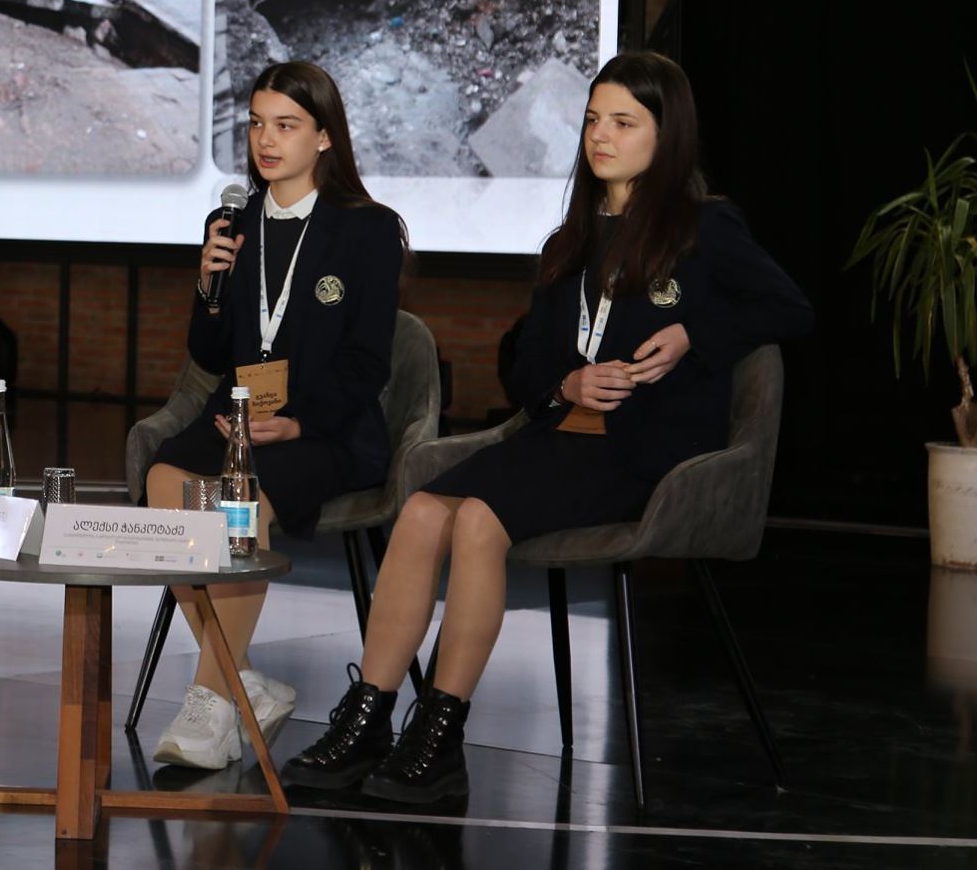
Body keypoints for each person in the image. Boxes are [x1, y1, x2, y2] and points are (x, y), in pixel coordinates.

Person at [281, 50, 813, 804]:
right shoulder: (572, 240)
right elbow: (527, 364)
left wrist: (694, 333)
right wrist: (566, 383)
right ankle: (368, 717)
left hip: (645, 454)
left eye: (623, 122)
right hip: (560, 437)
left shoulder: (706, 226)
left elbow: (790, 309)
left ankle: (441, 735)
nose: (601, 136)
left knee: (478, 521)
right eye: (593, 120)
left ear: (667, 135)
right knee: (423, 509)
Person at [145, 61, 408, 769]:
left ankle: (209, 703)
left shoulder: (368, 230)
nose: (266, 140)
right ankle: (241, 681)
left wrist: (297, 421)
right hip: (236, 415)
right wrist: (208, 283)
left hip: (324, 427)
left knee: (237, 503)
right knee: (165, 482)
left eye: (286, 126)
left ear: (324, 136)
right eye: (257, 124)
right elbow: (209, 351)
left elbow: (367, 364)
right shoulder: (233, 223)